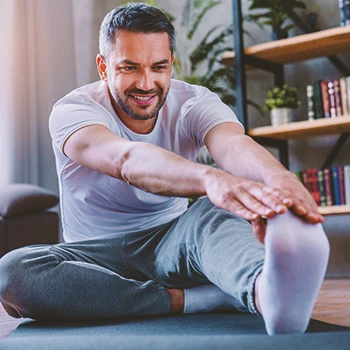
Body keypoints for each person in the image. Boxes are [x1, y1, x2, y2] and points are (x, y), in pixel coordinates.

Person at [0, 2, 329, 335]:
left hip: (175, 246)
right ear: (103, 67)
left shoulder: (194, 102)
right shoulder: (73, 111)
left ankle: (265, 291)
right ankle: (197, 299)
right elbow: (125, 160)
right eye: (129, 68)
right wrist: (210, 178)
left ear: (172, 63)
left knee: (212, 215)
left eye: (158, 67)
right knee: (13, 273)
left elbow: (231, 145)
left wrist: (280, 179)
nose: (146, 83)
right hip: (95, 259)